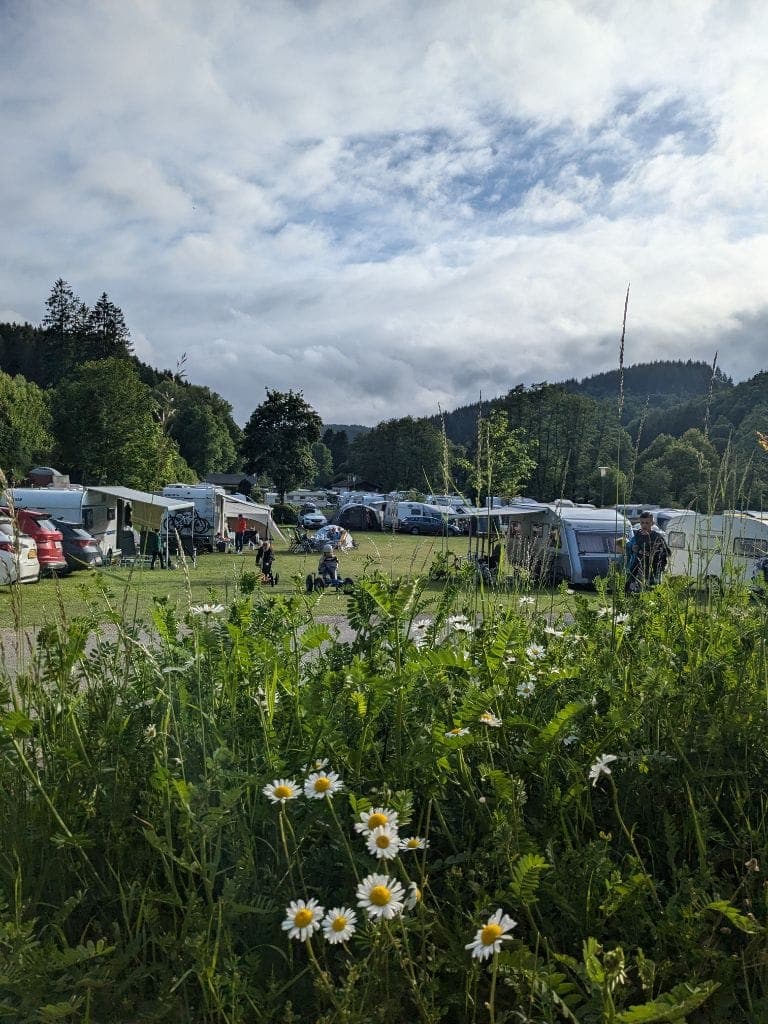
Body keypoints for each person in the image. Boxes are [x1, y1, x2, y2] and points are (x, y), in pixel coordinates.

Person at [625, 510, 670, 593]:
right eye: (642, 523)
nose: (644, 525)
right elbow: (630, 546)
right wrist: (632, 548)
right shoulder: (637, 535)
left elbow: (666, 553)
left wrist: (653, 554)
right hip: (636, 567)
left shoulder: (657, 536)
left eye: (647, 523)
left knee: (649, 592)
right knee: (630, 590)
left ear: (652, 523)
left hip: (652, 569)